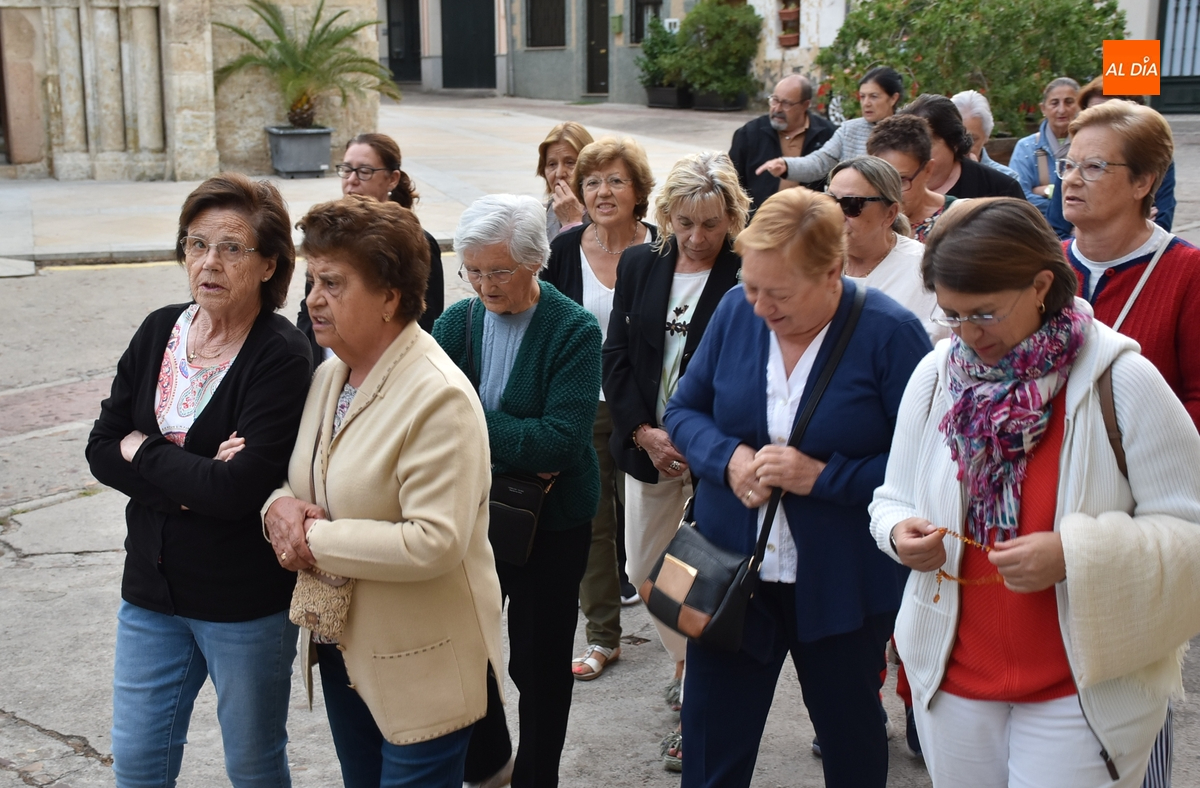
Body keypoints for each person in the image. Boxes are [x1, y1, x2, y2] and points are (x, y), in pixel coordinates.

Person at [870, 197, 1200, 788]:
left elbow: (1190, 529)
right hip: (951, 679)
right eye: (951, 314)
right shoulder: (938, 374)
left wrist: (1074, 554)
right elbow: (892, 496)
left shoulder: (1122, 379)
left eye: (985, 313)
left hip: (1081, 690)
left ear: (1042, 285)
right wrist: (897, 532)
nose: (968, 334)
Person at [663, 187, 931, 788]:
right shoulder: (735, 311)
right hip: (729, 571)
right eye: (751, 286)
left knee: (851, 742)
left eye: (778, 294)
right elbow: (682, 410)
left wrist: (824, 478)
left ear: (833, 273)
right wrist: (728, 459)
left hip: (841, 581)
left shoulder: (891, 333)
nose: (760, 306)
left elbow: (926, 463)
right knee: (709, 747)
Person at [260, 195, 500, 788]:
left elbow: (433, 542)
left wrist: (311, 540)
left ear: (390, 297)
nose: (312, 299)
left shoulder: (438, 396)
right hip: (344, 655)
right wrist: (278, 507)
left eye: (333, 283)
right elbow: (298, 480)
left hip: (422, 668)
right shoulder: (330, 374)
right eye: (312, 280)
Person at [86, 173, 312, 787]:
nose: (209, 262)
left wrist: (144, 448)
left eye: (232, 247)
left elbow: (236, 492)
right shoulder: (159, 329)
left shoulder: (281, 354)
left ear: (268, 265)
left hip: (241, 602)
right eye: (196, 244)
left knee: (253, 764)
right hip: (150, 590)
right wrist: (198, 471)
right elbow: (101, 448)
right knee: (138, 762)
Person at [433, 194, 602, 788]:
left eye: (499, 271)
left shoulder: (574, 329)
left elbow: (559, 443)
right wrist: (510, 437)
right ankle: (489, 765)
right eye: (473, 271)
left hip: (552, 523)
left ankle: (535, 778)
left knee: (539, 664)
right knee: (465, 648)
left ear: (535, 261)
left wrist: (472, 424)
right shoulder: (455, 323)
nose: (484, 285)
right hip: (472, 515)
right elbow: (428, 421)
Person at [1061, 87, 1195, 788]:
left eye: (1094, 167)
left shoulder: (1186, 272)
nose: (1071, 180)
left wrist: (1149, 458)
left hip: (1139, 516)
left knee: (1134, 682)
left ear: (1145, 182)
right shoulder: (1045, 267)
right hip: (1050, 510)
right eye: (1069, 164)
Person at [603, 150, 750, 769]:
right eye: (685, 222)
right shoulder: (640, 263)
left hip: (715, 454)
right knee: (644, 568)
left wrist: (702, 441)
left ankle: (698, 701)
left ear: (733, 217)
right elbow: (617, 354)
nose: (697, 237)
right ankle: (688, 662)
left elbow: (752, 369)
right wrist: (643, 432)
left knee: (707, 577)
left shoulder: (746, 270)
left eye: (711, 223)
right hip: (650, 449)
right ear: (665, 215)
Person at [543, 136, 657, 681]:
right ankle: (603, 636)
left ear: (638, 190)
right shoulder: (566, 249)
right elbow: (546, 324)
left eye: (615, 180)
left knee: (649, 528)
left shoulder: (661, 248)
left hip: (648, 410)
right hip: (584, 404)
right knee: (593, 524)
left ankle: (680, 637)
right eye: (591, 182)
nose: (602, 192)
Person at [297, 133, 444, 365]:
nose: (352, 180)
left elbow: (425, 323)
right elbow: (307, 313)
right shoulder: (326, 239)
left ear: (392, 179)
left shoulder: (417, 245)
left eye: (364, 171)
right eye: (347, 169)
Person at [828, 156, 946, 342]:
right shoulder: (811, 260)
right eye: (829, 200)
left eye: (852, 205)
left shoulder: (926, 269)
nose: (837, 214)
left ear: (890, 214)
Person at [1046, 80, 1176, 236]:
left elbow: (1160, 227)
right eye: (1091, 112)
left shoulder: (1154, 161)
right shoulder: (1073, 161)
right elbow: (1054, 232)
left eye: (1095, 166)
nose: (1071, 179)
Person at [755, 67, 903, 190]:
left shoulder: (907, 133)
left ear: (893, 98)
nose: (866, 103)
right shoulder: (849, 130)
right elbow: (820, 162)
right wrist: (786, 165)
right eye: (862, 96)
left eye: (874, 96)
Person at [729, 74, 837, 214]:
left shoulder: (828, 134)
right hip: (758, 220)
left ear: (805, 105)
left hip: (808, 221)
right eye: (774, 100)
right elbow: (732, 183)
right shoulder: (749, 133)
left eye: (786, 104)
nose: (777, 109)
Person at [901, 94, 1024, 200]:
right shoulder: (894, 185)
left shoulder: (1000, 190)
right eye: (907, 146)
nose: (914, 154)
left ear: (954, 142)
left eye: (925, 145)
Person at [866, 115, 957, 242]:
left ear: (928, 170)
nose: (890, 193)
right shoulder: (862, 217)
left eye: (901, 180)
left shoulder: (958, 220)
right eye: (880, 180)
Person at [1010, 77, 1080, 216]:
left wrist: (1045, 191)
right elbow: (1018, 199)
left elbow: (1094, 197)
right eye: (1054, 103)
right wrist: (1065, 201)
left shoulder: (1087, 146)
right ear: (1043, 108)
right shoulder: (1026, 147)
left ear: (1079, 106)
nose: (1062, 110)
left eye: (1069, 102)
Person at [538, 121, 595, 240]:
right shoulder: (550, 209)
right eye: (552, 164)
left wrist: (572, 224)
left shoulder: (604, 211)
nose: (559, 173)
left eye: (570, 163)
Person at [950, 90, 1020, 181]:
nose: (962, 146)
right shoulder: (934, 173)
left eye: (972, 139)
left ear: (986, 137)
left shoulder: (1007, 179)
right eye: (955, 137)